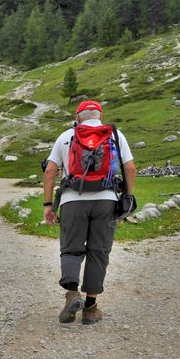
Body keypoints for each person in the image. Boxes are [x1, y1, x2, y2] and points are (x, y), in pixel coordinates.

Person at [43, 100, 136, 325]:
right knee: (99, 251)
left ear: (78, 117)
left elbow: (50, 170)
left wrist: (48, 204)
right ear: (100, 116)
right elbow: (130, 167)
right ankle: (91, 308)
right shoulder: (114, 135)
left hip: (72, 200)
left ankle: (72, 293)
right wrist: (128, 196)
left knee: (71, 249)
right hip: (106, 199)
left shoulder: (66, 136)